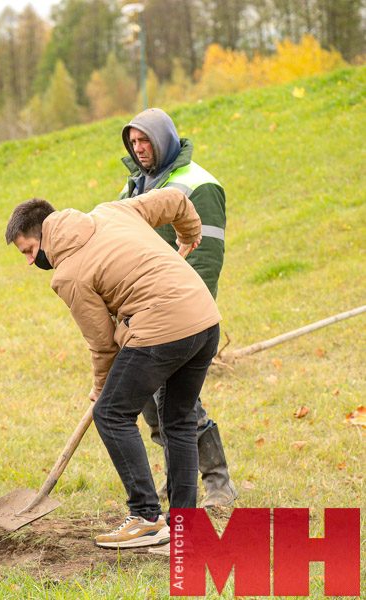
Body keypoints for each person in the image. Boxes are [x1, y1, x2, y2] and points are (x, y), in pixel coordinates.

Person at [5, 188, 221, 551]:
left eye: (29, 250)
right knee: (179, 419)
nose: (29, 260)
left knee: (112, 414)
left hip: (162, 328)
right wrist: (189, 234)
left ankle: (145, 518)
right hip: (204, 319)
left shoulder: (68, 275)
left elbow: (103, 343)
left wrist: (102, 389)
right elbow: (175, 201)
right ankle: (185, 526)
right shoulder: (113, 211)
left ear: (44, 234)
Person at [119, 108, 236, 508]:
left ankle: (218, 483)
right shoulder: (135, 186)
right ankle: (177, 479)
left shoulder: (199, 184)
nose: (139, 148)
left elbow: (206, 259)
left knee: (178, 403)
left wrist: (188, 322)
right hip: (142, 312)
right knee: (151, 405)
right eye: (133, 142)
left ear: (164, 138)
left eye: (145, 140)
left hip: (180, 314)